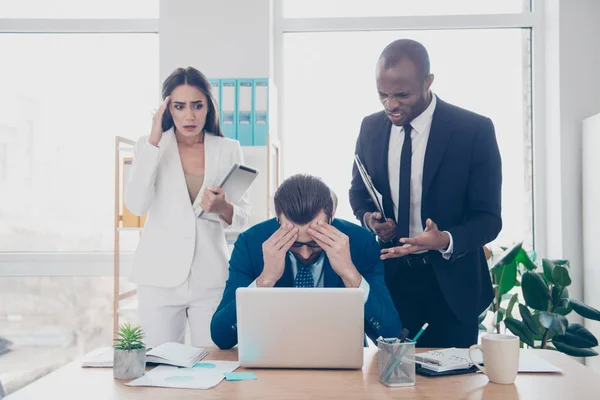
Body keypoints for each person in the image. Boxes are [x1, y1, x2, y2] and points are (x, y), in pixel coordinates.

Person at [349, 39, 502, 348]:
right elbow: (358, 191)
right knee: (389, 386)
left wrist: (445, 239)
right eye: (383, 95)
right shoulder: (370, 128)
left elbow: (488, 219)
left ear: (428, 82)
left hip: (451, 285)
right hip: (391, 283)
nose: (391, 105)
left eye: (402, 95)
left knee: (454, 388)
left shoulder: (473, 130)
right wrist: (370, 219)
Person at [125, 66, 251, 347]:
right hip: (158, 277)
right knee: (159, 368)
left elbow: (242, 218)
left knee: (214, 363)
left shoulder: (228, 148)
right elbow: (136, 205)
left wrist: (222, 207)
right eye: (179, 106)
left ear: (209, 107)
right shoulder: (150, 146)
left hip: (209, 277)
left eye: (197, 105)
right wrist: (154, 140)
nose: (189, 115)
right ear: (167, 109)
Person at [210, 174, 402, 349]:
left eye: (314, 242)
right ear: (278, 219)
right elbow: (221, 336)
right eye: (293, 243)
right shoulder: (251, 243)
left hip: (342, 362)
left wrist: (350, 275)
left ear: (331, 218)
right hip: (273, 359)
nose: (305, 252)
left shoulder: (361, 242)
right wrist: (264, 281)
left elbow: (390, 334)